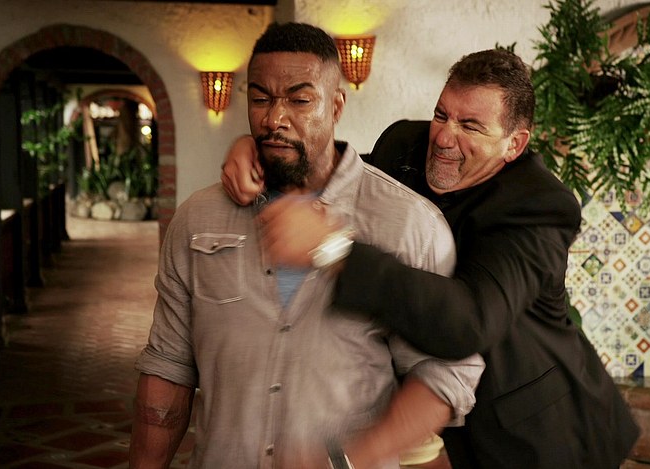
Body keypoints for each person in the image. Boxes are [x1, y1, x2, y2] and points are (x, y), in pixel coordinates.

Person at [222, 49, 641, 468]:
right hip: (445, 418)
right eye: (442, 115)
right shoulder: (403, 143)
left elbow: (470, 322)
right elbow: (339, 175)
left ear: (514, 144)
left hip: (544, 435)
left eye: (470, 126)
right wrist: (258, 153)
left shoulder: (540, 207)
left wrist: (333, 249)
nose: (443, 137)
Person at [130, 22, 485, 469]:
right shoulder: (197, 220)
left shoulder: (409, 224)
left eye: (299, 100)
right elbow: (167, 368)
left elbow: (445, 377)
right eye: (260, 99)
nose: (274, 119)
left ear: (336, 105)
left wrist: (343, 461)